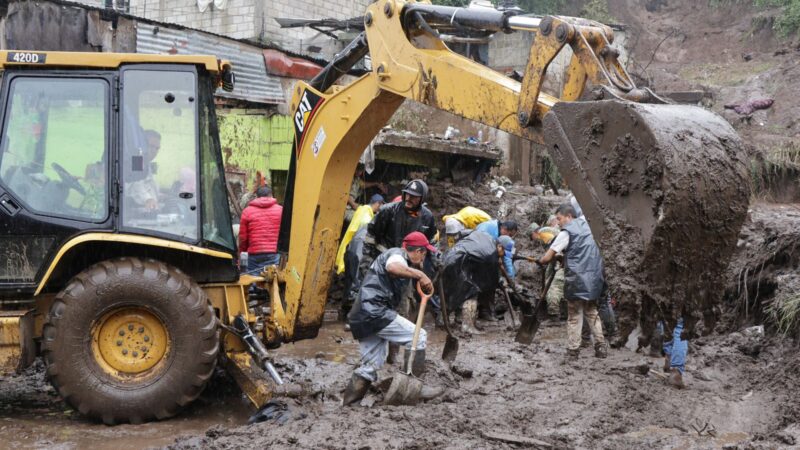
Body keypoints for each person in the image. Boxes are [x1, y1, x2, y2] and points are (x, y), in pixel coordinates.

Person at [343, 232, 437, 406]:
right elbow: (393, 267)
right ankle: (413, 385)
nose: (424, 257)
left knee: (370, 365)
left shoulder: (401, 260)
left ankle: (350, 404)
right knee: (418, 336)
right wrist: (420, 274)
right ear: (418, 251)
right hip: (375, 311)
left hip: (362, 314)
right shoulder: (397, 254)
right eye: (424, 253)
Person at [536, 203, 608, 360]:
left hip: (577, 279)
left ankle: (573, 350)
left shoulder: (567, 232)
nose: (558, 223)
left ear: (569, 216)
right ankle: (601, 347)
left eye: (559, 218)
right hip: (594, 278)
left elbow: (547, 257)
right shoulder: (590, 227)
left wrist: (540, 261)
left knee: (575, 315)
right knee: (592, 312)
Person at [336, 194, 385, 321]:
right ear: (378, 203)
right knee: (355, 281)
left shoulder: (361, 211)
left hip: (350, 250)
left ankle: (344, 312)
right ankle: (351, 316)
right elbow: (363, 238)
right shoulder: (367, 217)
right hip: (357, 252)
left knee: (349, 281)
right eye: (380, 205)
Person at [441, 229, 499, 334]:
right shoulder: (491, 251)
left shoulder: (482, 238)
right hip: (456, 264)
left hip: (447, 259)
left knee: (449, 293)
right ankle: (467, 326)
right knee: (471, 293)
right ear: (500, 246)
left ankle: (444, 321)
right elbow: (490, 278)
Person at [238, 186, 283, 274]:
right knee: (273, 278)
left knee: (251, 279)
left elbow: (243, 238)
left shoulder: (247, 211)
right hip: (274, 254)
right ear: (271, 195)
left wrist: (242, 253)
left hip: (254, 255)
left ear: (257, 196)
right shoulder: (281, 210)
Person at [125, 129, 161, 212]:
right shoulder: (136, 160)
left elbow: (148, 185)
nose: (154, 151)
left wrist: (158, 196)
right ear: (142, 144)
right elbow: (136, 184)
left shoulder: (147, 164)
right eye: (151, 146)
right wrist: (148, 199)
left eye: (157, 148)